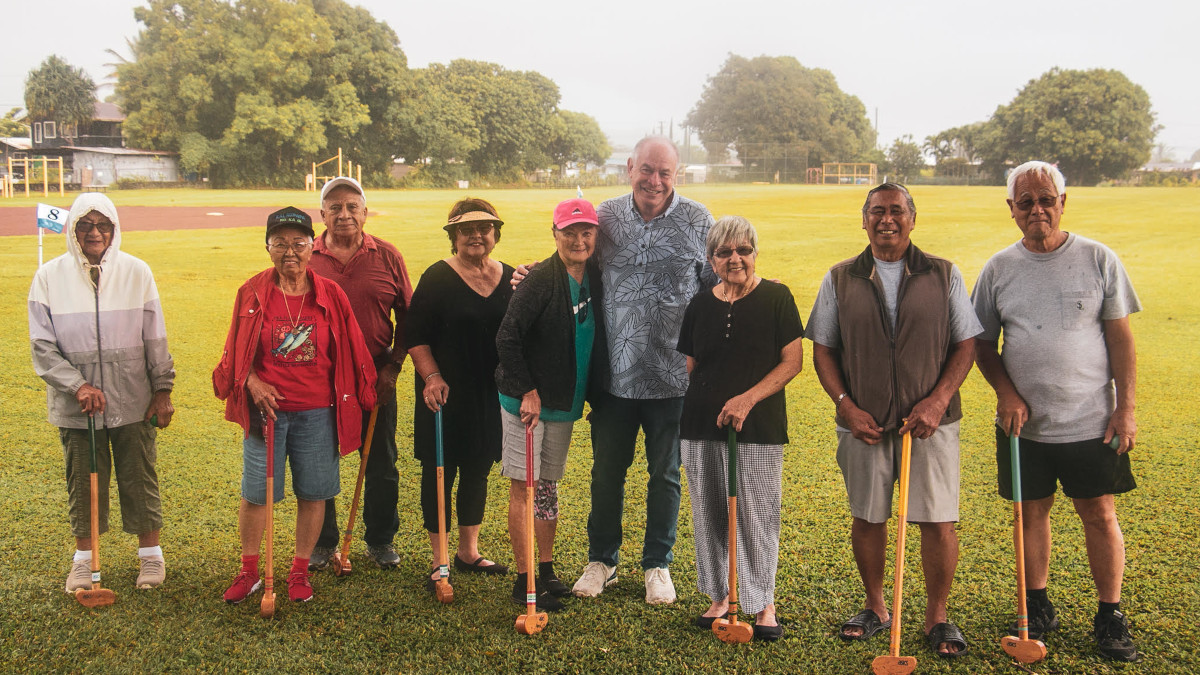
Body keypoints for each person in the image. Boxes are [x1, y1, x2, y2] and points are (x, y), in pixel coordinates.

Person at [972, 161, 1142, 662]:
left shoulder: (1098, 259)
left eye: (1046, 199)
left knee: (1099, 513)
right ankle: (1037, 603)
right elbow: (983, 343)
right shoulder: (999, 268)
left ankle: (1109, 612)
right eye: (1025, 201)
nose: (1037, 209)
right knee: (1031, 514)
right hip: (1023, 426)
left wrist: (1125, 408)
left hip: (1092, 420)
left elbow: (1121, 340)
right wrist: (1006, 393)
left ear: (1063, 203)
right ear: (1011, 209)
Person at [807, 183, 980, 658]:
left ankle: (937, 617)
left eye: (897, 211)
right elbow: (823, 349)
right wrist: (845, 404)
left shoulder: (944, 274)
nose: (887, 219)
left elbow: (966, 345)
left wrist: (938, 400)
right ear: (863, 220)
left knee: (938, 520)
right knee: (868, 517)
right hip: (864, 423)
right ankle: (876, 607)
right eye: (877, 211)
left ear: (912, 218)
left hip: (932, 423)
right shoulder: (840, 277)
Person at [571, 136, 716, 605]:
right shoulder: (604, 217)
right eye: (647, 170)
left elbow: (716, 286)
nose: (655, 181)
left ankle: (657, 563)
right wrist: (531, 272)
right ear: (630, 167)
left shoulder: (698, 219)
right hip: (615, 374)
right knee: (607, 472)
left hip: (675, 376)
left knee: (666, 474)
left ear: (679, 175)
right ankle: (602, 560)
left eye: (665, 173)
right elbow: (573, 264)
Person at [213, 207, 377, 605]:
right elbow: (235, 353)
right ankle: (250, 570)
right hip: (266, 414)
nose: (290, 252)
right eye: (280, 243)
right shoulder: (251, 292)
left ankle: (300, 570)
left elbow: (353, 346)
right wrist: (252, 382)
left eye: (299, 244)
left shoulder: (330, 294)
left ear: (311, 247)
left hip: (317, 411)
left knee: (314, 492)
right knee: (256, 494)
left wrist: (371, 387)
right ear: (268, 247)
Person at [29, 192, 176, 592]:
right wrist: (77, 386)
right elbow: (42, 347)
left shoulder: (136, 272)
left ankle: (150, 558)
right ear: (73, 230)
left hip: (133, 398)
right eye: (85, 225)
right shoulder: (48, 277)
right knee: (84, 482)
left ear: (114, 229)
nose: (94, 233)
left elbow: (155, 337)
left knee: (139, 478)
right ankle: (83, 561)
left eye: (102, 225)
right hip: (77, 407)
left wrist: (162, 390)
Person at [677, 216, 803, 641]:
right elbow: (693, 365)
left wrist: (746, 399)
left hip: (759, 425)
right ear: (711, 260)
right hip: (700, 426)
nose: (735, 259)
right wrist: (715, 400)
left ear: (754, 253)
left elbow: (792, 362)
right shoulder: (699, 304)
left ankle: (761, 601)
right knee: (709, 512)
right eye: (724, 252)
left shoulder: (777, 297)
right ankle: (719, 595)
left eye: (743, 250)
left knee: (756, 513)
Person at [494, 198, 608, 612]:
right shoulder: (540, 279)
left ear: (596, 235)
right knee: (525, 486)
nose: (578, 240)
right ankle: (523, 581)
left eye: (586, 232)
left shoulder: (596, 275)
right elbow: (507, 337)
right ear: (555, 234)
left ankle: (545, 570)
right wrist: (526, 389)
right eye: (570, 232)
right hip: (528, 403)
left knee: (546, 488)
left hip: (564, 402)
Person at [406, 198, 514, 592]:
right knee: (440, 471)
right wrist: (431, 377)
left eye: (484, 228)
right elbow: (414, 336)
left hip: (491, 394)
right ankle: (440, 558)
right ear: (453, 236)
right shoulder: (437, 277)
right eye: (466, 229)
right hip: (445, 393)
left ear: (495, 234)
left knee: (478, 467)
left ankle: (469, 552)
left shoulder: (511, 276)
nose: (476, 235)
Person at [307, 176, 413, 571]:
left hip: (376, 376)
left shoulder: (387, 256)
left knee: (381, 460)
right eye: (335, 207)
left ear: (365, 212)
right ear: (322, 215)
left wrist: (393, 366)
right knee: (319, 460)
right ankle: (322, 542)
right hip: (319, 379)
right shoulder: (307, 256)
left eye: (353, 206)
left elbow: (409, 315)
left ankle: (380, 540)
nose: (345, 214)